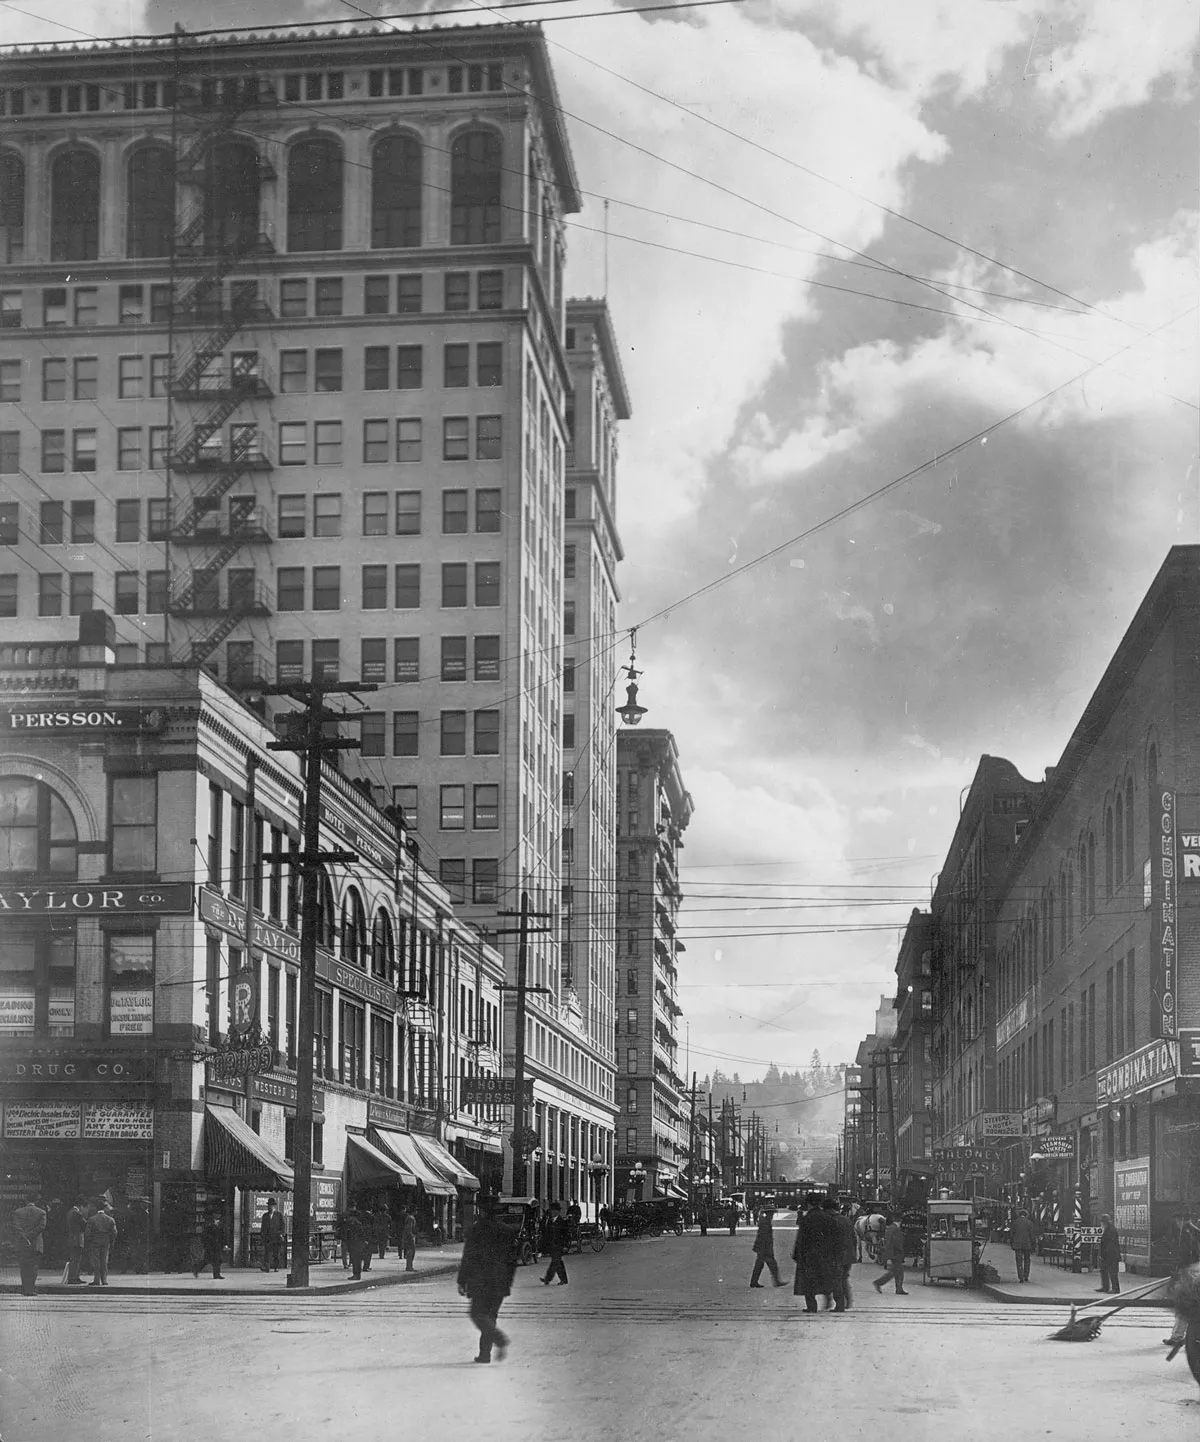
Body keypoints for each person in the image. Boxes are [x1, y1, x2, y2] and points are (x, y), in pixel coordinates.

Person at [457, 1196, 518, 1363]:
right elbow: (513, 1260)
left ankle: (499, 1340)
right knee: (490, 1316)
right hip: (499, 1281)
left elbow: (467, 1258)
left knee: (477, 1314)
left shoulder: (476, 1230)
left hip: (480, 1280)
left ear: (482, 1211)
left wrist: (462, 1281)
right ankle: (485, 1354)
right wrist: (508, 1281)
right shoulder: (507, 1231)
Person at [800, 1197, 847, 1311]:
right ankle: (840, 1305)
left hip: (810, 1255)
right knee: (833, 1280)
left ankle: (812, 1307)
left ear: (810, 1205)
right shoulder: (828, 1218)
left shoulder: (807, 1218)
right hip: (827, 1255)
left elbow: (802, 1240)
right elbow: (836, 1238)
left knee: (810, 1282)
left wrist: (799, 1255)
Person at [1164, 1211, 1200, 1346]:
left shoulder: (1186, 1233)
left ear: (1182, 1220)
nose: (1176, 1224)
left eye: (1177, 1221)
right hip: (1193, 1271)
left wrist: (1178, 1270)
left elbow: (1185, 1254)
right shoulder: (1195, 1231)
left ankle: (1177, 1336)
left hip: (1189, 1272)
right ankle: (1178, 1335)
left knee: (1184, 1304)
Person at [12, 1194, 46, 1296]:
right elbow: (41, 1227)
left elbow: (16, 1227)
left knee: (23, 1267)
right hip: (36, 1244)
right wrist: (30, 1236)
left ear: (26, 1200)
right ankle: (30, 1289)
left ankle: (25, 1288)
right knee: (33, 1267)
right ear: (36, 1201)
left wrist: (25, 1237)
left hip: (22, 1243)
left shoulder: (18, 1212)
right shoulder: (41, 1212)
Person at [873, 1212, 908, 1296]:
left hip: (893, 1252)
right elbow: (894, 1242)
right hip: (895, 1253)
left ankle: (898, 1288)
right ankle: (879, 1283)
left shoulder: (891, 1228)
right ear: (900, 1220)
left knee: (897, 1271)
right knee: (897, 1271)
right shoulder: (895, 1229)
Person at [749, 1207, 785, 1288]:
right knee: (772, 1264)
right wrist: (768, 1249)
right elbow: (765, 1237)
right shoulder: (766, 1222)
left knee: (759, 1265)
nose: (772, 1215)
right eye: (772, 1213)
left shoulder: (764, 1220)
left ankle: (754, 1282)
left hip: (762, 1247)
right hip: (764, 1247)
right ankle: (776, 1281)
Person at [86, 1200, 118, 1287]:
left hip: (95, 1241)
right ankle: (104, 1280)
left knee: (96, 1261)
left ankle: (96, 1279)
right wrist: (111, 1240)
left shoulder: (91, 1219)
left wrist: (90, 1240)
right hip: (106, 1241)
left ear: (96, 1208)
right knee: (104, 1261)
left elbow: (88, 1233)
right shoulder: (110, 1219)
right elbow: (114, 1232)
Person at [540, 1201, 570, 1286]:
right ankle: (559, 1279)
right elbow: (546, 1234)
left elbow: (566, 1235)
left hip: (559, 1245)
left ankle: (552, 1279)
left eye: (553, 1211)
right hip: (552, 1245)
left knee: (556, 1262)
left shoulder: (562, 1222)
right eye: (551, 1211)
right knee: (556, 1262)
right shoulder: (549, 1221)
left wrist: (565, 1245)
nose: (552, 1212)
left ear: (557, 1211)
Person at [194, 1207, 224, 1280]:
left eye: (219, 1214)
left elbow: (222, 1234)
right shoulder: (209, 1223)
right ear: (214, 1215)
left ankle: (216, 1274)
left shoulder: (220, 1223)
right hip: (210, 1244)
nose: (219, 1215)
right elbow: (205, 1235)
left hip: (217, 1244)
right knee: (209, 1259)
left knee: (216, 1259)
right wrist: (206, 1244)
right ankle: (197, 1269)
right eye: (217, 1214)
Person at [837, 1204, 858, 1309]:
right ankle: (848, 1301)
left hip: (838, 1255)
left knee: (836, 1278)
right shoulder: (848, 1221)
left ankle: (838, 1303)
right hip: (848, 1254)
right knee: (844, 1278)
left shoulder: (834, 1221)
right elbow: (854, 1239)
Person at [66, 1196, 89, 1285]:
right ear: (81, 1205)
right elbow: (85, 1224)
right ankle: (74, 1277)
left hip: (72, 1238)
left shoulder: (70, 1212)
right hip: (77, 1239)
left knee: (74, 1259)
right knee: (76, 1259)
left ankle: (74, 1276)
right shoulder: (77, 1213)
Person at [1096, 1213, 1120, 1294]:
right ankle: (1105, 1287)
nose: (1101, 1224)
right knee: (1103, 1270)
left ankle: (1115, 1289)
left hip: (1111, 1256)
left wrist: (1105, 1255)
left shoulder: (1111, 1230)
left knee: (1113, 1272)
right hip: (1106, 1255)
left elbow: (1110, 1245)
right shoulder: (1107, 1229)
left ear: (1105, 1222)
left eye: (1102, 1222)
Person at [1010, 1209, 1035, 1284]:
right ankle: (1026, 1276)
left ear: (1019, 1215)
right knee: (1027, 1260)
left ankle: (1020, 1277)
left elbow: (1012, 1234)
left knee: (1019, 1261)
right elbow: (1032, 1235)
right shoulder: (1029, 1223)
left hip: (1017, 1244)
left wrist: (1012, 1243)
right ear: (1026, 1215)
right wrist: (1033, 1244)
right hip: (1027, 1244)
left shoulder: (1015, 1222)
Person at [261, 1198, 286, 1272]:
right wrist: (262, 1235)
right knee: (267, 1253)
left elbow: (283, 1225)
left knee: (276, 1253)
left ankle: (276, 1267)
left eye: (271, 1206)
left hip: (276, 1237)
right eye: (268, 1206)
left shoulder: (279, 1215)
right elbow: (263, 1227)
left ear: (274, 1206)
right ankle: (267, 1267)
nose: (269, 1207)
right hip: (268, 1237)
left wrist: (281, 1234)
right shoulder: (265, 1216)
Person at [127, 1198, 151, 1274]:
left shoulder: (142, 1212)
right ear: (142, 1204)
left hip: (142, 1236)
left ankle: (140, 1268)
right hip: (142, 1236)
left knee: (141, 1253)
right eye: (146, 1203)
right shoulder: (141, 1213)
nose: (147, 1205)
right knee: (142, 1253)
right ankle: (141, 1268)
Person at [343, 1209, 368, 1280]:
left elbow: (361, 1235)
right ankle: (356, 1274)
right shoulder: (353, 1223)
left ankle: (356, 1274)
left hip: (356, 1244)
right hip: (354, 1244)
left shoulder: (355, 1224)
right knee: (355, 1260)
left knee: (356, 1260)